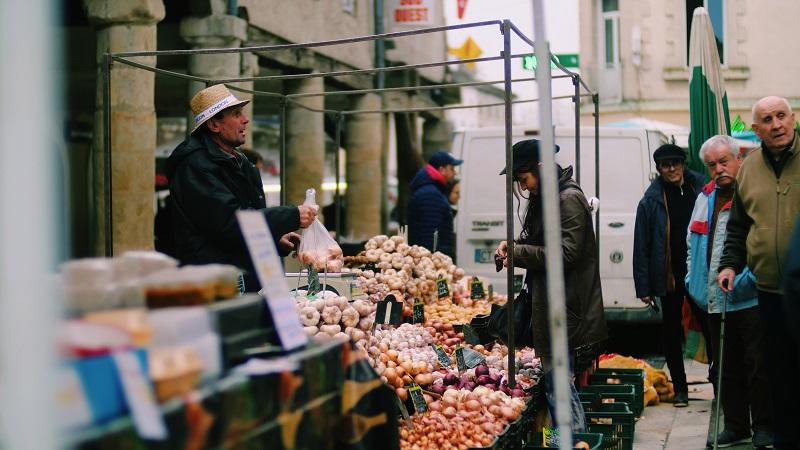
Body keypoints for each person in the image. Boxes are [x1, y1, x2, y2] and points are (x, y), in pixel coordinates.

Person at [493, 139, 608, 430]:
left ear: (540, 169)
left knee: (558, 387)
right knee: (557, 386)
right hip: (555, 304)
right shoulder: (549, 198)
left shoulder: (567, 199)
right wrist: (515, 247)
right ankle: (573, 440)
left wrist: (519, 253)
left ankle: (576, 440)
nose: (525, 187)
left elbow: (566, 253)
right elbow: (545, 243)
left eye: (524, 179)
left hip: (565, 308)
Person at [166, 84, 317, 292]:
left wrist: (274, 239)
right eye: (236, 114)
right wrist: (290, 215)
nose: (245, 119)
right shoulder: (195, 166)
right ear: (214, 125)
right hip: (217, 282)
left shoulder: (239, 161)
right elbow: (229, 222)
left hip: (244, 276)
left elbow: (245, 216)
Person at [718, 96, 800, 449]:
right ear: (756, 130)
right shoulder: (748, 168)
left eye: (781, 116)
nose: (776, 124)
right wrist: (729, 264)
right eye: (767, 119)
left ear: (793, 118)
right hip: (767, 290)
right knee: (776, 369)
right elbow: (738, 225)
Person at [685, 135, 773, 448]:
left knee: (757, 365)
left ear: (739, 160)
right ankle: (736, 426)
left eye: (724, 161)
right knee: (723, 368)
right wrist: (690, 280)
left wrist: (747, 279)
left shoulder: (752, 193)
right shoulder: (704, 197)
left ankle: (763, 425)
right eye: (712, 164)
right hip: (712, 298)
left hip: (748, 295)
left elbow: (762, 243)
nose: (719, 169)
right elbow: (691, 243)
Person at [633, 143, 706, 407]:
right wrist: (644, 286)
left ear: (684, 163)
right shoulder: (651, 199)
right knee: (672, 333)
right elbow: (641, 244)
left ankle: (719, 380)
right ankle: (681, 389)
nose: (672, 168)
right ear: (659, 169)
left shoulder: (703, 189)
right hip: (670, 276)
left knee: (709, 327)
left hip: (700, 272)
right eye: (666, 165)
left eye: (676, 162)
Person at [407, 151, 461, 258]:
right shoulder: (431, 194)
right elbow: (430, 235)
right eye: (452, 168)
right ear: (442, 170)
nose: (455, 173)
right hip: (433, 261)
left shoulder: (432, 190)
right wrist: (432, 263)